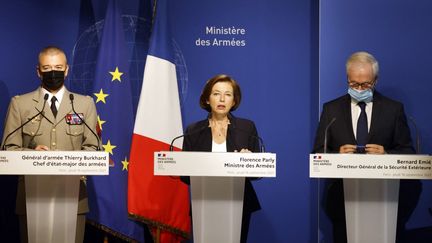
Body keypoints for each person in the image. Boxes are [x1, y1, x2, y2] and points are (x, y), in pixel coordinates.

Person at [312, 51, 415, 242]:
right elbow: (318, 153)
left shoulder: (393, 109)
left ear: (375, 80)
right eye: (353, 83)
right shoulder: (331, 109)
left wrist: (386, 154)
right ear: (347, 79)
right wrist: (336, 155)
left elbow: (408, 152)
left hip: (384, 201)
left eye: (366, 84)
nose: (359, 88)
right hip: (341, 202)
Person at [1, 46, 99, 243]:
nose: (52, 72)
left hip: (73, 197)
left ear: (67, 70)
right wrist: (30, 154)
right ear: (38, 71)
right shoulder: (20, 104)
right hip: (31, 197)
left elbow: (93, 148)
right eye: (47, 68)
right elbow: (8, 150)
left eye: (58, 67)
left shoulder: (84, 104)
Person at [182, 74, 261, 243]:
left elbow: (258, 172)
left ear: (234, 101)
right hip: (203, 201)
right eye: (216, 93)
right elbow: (184, 175)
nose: (222, 99)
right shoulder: (193, 130)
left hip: (239, 201)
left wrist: (248, 162)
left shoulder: (246, 127)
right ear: (207, 99)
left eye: (228, 94)